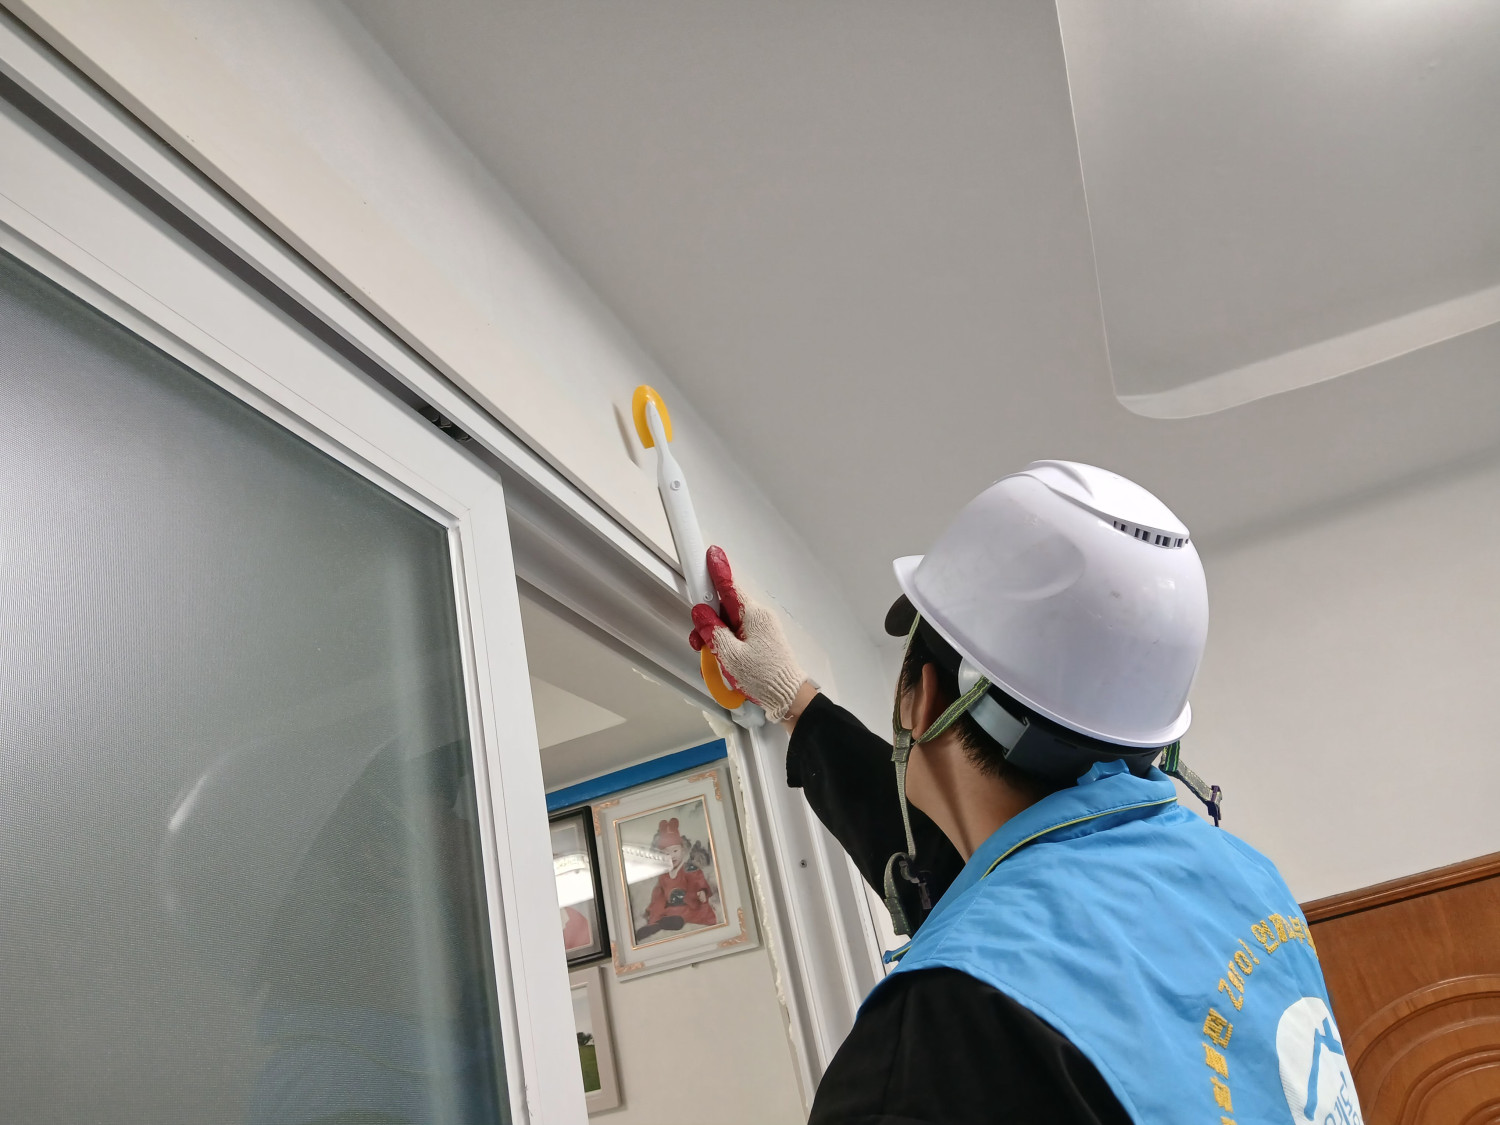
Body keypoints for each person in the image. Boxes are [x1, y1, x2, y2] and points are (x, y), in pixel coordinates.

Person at [689, 461, 1362, 1125]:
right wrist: (795, 700)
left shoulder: (935, 1043)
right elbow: (988, 882)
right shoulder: (1243, 875)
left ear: (924, 700)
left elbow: (1001, 928)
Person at [635, 817, 717, 941]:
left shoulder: (689, 869)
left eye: (675, 851)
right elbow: (660, 896)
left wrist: (702, 892)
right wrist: (653, 913)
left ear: (682, 851)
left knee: (690, 913)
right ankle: (656, 924)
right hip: (672, 909)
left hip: (690, 906)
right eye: (666, 853)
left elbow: (697, 882)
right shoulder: (664, 876)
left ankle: (668, 922)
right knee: (662, 908)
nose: (672, 856)